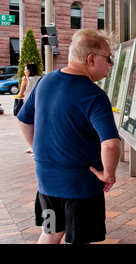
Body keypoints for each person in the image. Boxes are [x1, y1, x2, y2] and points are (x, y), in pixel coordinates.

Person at [17, 29, 121, 244]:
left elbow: (24, 120)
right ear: (91, 59)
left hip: (47, 181)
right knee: (79, 238)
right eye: (108, 58)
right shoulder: (94, 95)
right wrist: (108, 174)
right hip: (80, 184)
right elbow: (110, 144)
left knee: (51, 232)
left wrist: (37, 151)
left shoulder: (45, 82)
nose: (111, 64)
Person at [18, 63, 42, 154]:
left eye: (25, 69)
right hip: (39, 104)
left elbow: (21, 94)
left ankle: (33, 147)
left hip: (29, 105)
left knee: (24, 122)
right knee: (37, 125)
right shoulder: (41, 78)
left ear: (29, 70)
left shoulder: (25, 79)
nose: (24, 71)